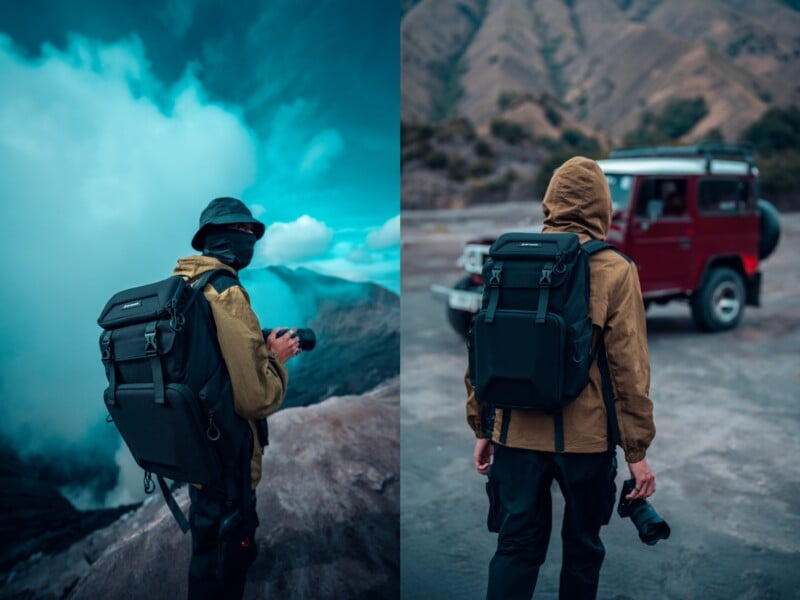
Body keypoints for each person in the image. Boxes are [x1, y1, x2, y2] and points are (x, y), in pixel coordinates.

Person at [466, 157, 657, 599]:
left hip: (513, 435)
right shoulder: (616, 269)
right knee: (583, 550)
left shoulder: (509, 260)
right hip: (586, 445)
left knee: (514, 550)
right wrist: (637, 452)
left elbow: (481, 351)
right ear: (602, 206)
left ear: (550, 202)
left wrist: (484, 426)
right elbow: (628, 369)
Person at [173, 196, 300, 599]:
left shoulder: (185, 286)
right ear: (219, 237)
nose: (250, 239)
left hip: (195, 443)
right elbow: (256, 400)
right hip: (226, 451)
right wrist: (277, 359)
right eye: (243, 231)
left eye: (251, 232)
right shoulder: (225, 292)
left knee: (207, 543)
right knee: (227, 555)